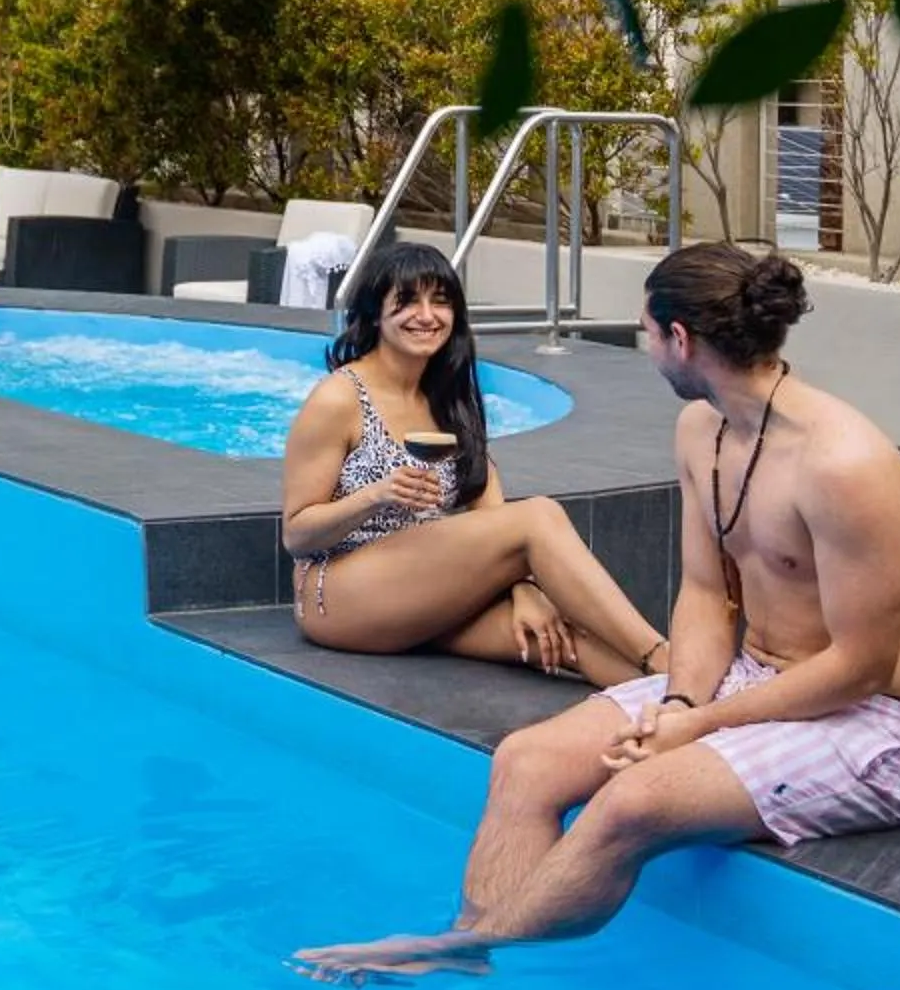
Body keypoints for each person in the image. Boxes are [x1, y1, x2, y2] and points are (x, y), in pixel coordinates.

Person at [295, 245, 900, 984]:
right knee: (525, 761)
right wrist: (682, 700)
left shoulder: (843, 465)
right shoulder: (705, 432)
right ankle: (472, 947)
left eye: (645, 332)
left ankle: (441, 951)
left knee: (631, 801)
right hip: (753, 683)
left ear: (681, 341)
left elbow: (863, 669)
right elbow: (704, 593)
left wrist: (697, 726)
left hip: (866, 725)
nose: (646, 347)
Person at [282, 241, 669, 686]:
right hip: (339, 592)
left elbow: (492, 520)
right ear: (374, 313)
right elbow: (296, 534)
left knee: (558, 635)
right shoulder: (340, 397)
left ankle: (692, 705)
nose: (426, 316)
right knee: (539, 515)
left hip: (424, 587)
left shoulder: (449, 395)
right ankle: (661, 656)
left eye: (440, 302)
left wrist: (526, 591)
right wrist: (376, 495)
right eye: (407, 302)